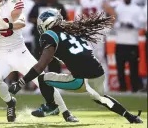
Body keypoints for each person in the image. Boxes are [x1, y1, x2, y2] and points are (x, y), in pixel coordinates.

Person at [0, 0, 77, 122]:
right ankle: (10, 102)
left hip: (19, 51)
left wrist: (8, 25)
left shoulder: (14, 2)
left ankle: (66, 112)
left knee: (42, 80)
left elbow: (20, 22)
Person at [9, 8, 143, 124]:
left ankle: (51, 107)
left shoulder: (49, 35)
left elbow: (40, 66)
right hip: (99, 73)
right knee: (101, 98)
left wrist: (21, 83)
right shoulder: (72, 31)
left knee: (43, 79)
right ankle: (130, 117)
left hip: (81, 80)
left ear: (47, 24)